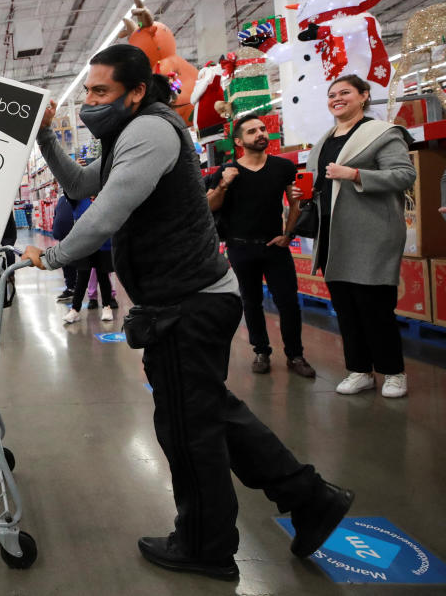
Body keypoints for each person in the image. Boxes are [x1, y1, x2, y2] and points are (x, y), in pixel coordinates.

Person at [21, 44, 352, 581]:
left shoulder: (149, 131)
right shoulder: (126, 133)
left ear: (135, 91)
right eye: (87, 91)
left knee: (187, 429)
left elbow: (109, 206)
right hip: (185, 300)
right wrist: (44, 135)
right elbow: (83, 185)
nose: (89, 101)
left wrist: (54, 255)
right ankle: (310, 498)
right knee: (208, 412)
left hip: (188, 304)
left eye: (100, 91)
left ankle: (205, 544)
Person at [307, 74, 415, 398]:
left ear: (364, 96)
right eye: (332, 94)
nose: (337, 99)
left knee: (375, 308)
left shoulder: (380, 133)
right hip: (333, 235)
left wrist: (355, 174)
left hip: (371, 235)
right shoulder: (325, 140)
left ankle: (393, 372)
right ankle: (359, 370)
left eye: (345, 93)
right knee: (346, 308)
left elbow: (404, 175)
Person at [205, 114, 315, 377]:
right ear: (239, 140)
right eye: (252, 131)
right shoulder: (227, 171)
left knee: (288, 302)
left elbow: (296, 202)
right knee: (250, 301)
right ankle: (261, 351)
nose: (260, 134)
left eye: (263, 129)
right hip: (240, 247)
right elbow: (209, 205)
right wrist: (224, 183)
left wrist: (289, 234)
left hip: (275, 246)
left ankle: (295, 355)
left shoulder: (282, 168)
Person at [62, 196, 114, 324]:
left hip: (103, 243)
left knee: (103, 275)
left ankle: (107, 307)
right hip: (84, 244)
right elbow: (69, 189)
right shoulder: (78, 199)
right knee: (82, 276)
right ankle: (75, 310)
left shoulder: (104, 195)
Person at [51, 193, 78, 301]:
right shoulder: (62, 199)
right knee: (66, 263)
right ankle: (71, 288)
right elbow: (56, 215)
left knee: (81, 264)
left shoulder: (79, 197)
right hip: (63, 238)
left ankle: (82, 290)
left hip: (76, 237)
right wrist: (55, 230)